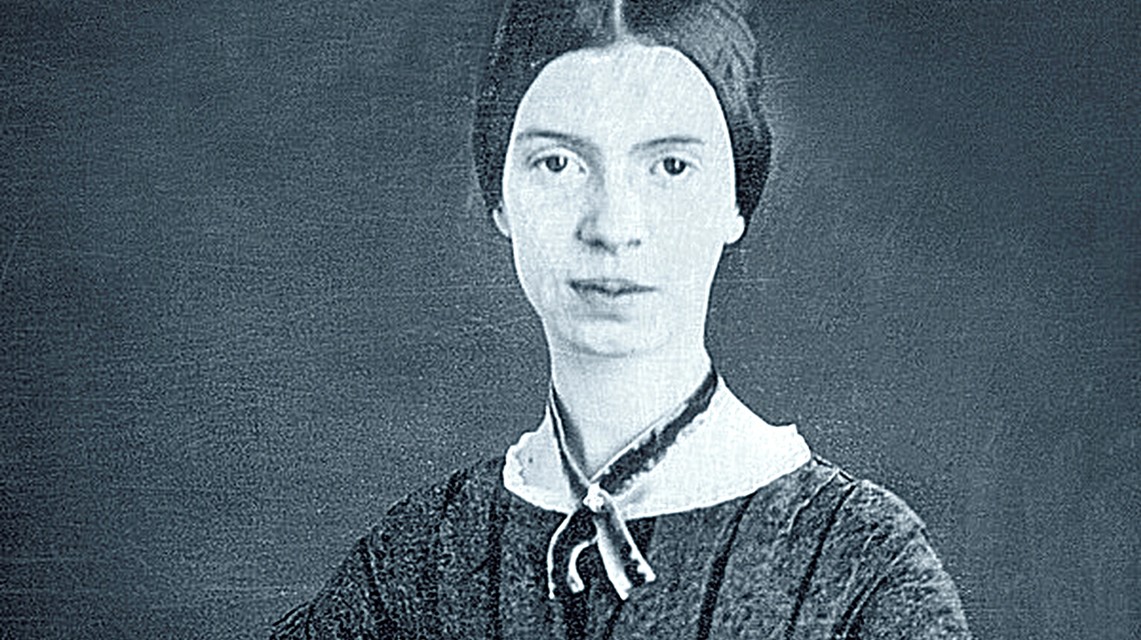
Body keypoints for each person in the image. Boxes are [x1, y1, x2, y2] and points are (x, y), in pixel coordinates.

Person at [272, 0, 972, 638]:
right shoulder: (419, 560)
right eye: (557, 163)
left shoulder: (861, 564)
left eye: (670, 166)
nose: (611, 226)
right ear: (500, 199)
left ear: (736, 199)